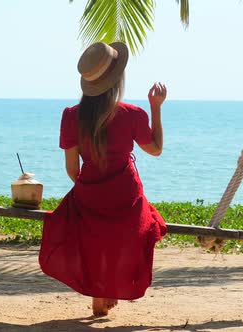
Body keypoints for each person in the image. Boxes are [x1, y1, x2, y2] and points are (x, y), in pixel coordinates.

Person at [39, 41, 168, 317]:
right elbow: (155, 149)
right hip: (126, 194)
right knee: (132, 230)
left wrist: (90, 189)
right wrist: (156, 107)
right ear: (117, 78)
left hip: (90, 192)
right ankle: (108, 287)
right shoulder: (133, 114)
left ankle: (100, 291)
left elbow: (72, 169)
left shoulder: (71, 116)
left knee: (91, 232)